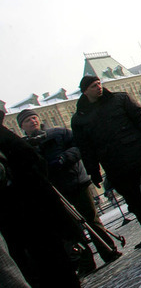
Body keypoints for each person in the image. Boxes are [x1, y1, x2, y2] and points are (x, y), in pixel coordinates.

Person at [17, 109, 121, 271]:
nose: (32, 121)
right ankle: (86, 263)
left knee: (91, 220)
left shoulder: (58, 133)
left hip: (76, 182)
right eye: (27, 120)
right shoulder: (24, 147)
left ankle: (108, 251)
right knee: (72, 229)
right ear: (22, 126)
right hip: (55, 191)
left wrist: (65, 158)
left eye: (34, 117)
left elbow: (78, 146)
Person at [72, 75, 141, 250]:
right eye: (93, 86)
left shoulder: (120, 99)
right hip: (114, 164)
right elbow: (86, 147)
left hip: (138, 155)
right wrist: (94, 171)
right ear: (85, 91)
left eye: (99, 84)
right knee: (133, 199)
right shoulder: (80, 118)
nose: (98, 87)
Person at [0, 124, 81, 288]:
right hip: (32, 211)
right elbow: (34, 161)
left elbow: (32, 161)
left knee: (46, 266)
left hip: (25, 213)